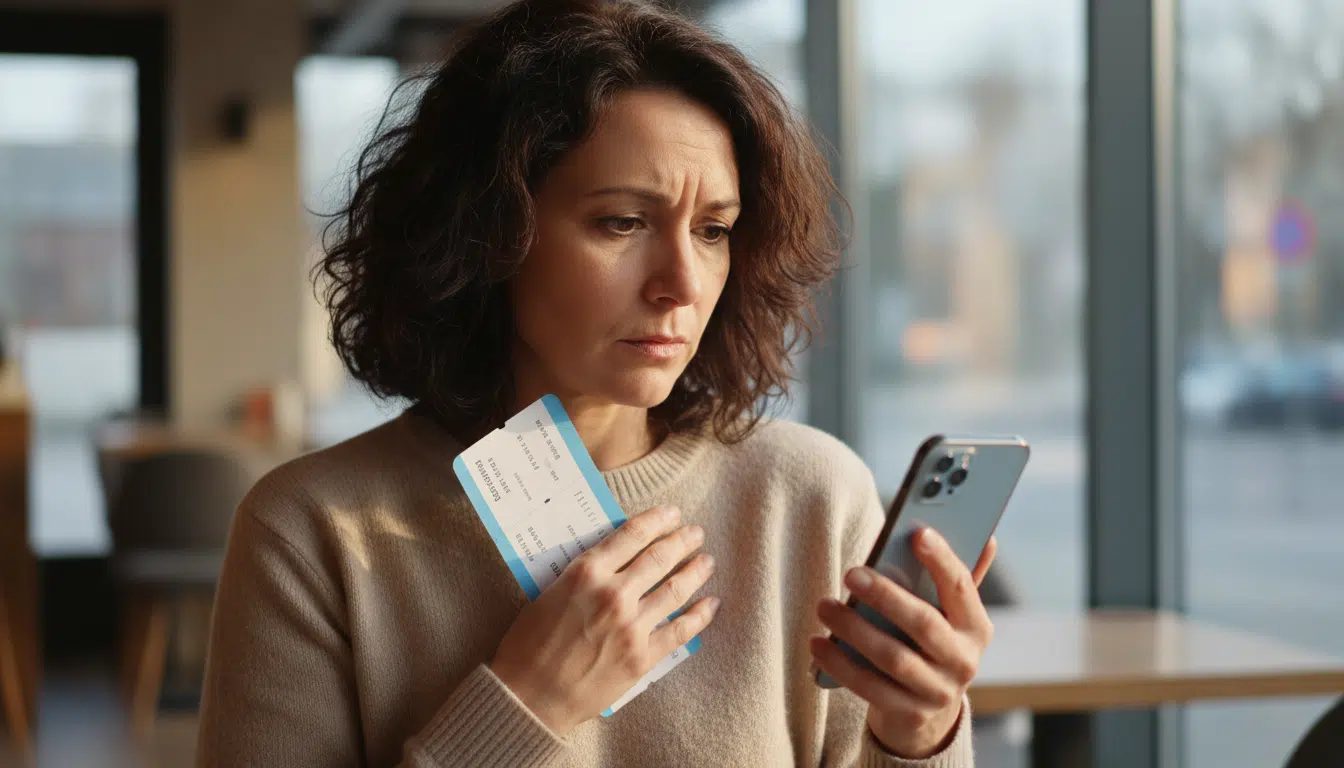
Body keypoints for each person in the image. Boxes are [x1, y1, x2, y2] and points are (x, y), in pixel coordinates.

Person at [196, 1, 998, 765]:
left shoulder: (812, 498)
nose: (682, 283)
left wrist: (920, 734)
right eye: (623, 222)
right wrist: (527, 701)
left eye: (714, 230)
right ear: (485, 231)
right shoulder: (311, 534)